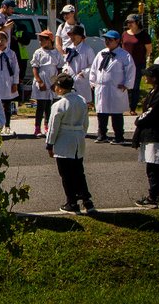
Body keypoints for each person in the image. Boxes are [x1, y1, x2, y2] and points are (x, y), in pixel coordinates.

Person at [46, 73, 94, 214]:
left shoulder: (59, 105)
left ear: (60, 88)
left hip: (64, 140)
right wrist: (81, 134)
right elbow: (85, 123)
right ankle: (87, 200)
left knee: (66, 174)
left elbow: (53, 127)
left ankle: (71, 202)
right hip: (78, 138)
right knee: (79, 172)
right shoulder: (81, 100)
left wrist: (50, 144)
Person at [132, 64, 159, 207]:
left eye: (148, 75)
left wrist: (139, 119)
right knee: (152, 166)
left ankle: (155, 195)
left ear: (155, 78)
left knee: (154, 167)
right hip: (150, 134)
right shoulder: (154, 92)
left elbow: (151, 112)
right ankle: (157, 194)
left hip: (157, 134)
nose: (145, 77)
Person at [89, 30, 135, 144]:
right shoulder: (101, 54)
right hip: (101, 88)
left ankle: (119, 136)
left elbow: (130, 70)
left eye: (110, 40)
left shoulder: (124, 55)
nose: (107, 42)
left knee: (116, 113)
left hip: (116, 88)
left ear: (117, 41)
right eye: (106, 40)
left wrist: (127, 84)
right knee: (101, 112)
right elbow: (94, 69)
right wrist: (93, 82)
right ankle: (102, 134)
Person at [29, 30, 63, 137]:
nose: (40, 42)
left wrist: (56, 83)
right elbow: (35, 67)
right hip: (42, 80)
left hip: (52, 80)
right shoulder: (38, 52)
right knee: (41, 105)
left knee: (49, 105)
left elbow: (59, 68)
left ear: (49, 41)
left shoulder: (56, 53)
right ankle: (37, 127)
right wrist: (39, 81)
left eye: (42, 39)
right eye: (39, 39)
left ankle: (47, 126)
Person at [0, 31, 20, 136]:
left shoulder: (11, 54)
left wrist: (15, 83)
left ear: (7, 41)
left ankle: (7, 126)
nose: (0, 42)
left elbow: (16, 69)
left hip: (8, 82)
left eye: (2, 40)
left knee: (7, 105)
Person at [121, 14, 152, 114]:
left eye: (131, 22)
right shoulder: (125, 34)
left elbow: (148, 50)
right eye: (128, 22)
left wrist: (145, 61)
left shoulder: (144, 35)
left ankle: (133, 108)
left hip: (138, 64)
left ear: (137, 23)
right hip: (124, 64)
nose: (129, 24)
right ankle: (123, 106)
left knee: (135, 86)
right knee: (124, 85)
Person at [62, 26, 95, 104]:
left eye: (75, 35)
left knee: (82, 103)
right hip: (70, 80)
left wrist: (83, 73)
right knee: (70, 103)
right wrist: (65, 69)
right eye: (71, 35)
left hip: (82, 81)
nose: (72, 37)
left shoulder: (87, 49)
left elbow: (93, 65)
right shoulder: (69, 48)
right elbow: (66, 63)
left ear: (80, 37)